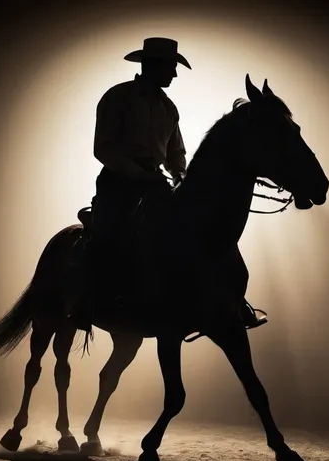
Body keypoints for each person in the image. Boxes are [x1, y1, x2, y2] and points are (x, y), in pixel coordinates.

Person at [74, 37, 267, 332]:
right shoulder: (117, 97)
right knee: (107, 236)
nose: (175, 75)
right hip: (119, 183)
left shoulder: (169, 108)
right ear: (153, 66)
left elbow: (176, 152)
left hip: (157, 185)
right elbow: (104, 148)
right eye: (171, 68)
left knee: (201, 228)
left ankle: (230, 297)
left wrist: (180, 176)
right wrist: (138, 174)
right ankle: (85, 302)